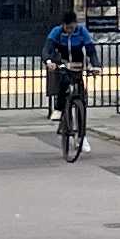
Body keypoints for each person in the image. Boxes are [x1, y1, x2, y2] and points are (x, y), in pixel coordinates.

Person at [43, 11, 97, 150]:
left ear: (75, 24)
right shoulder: (57, 32)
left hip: (78, 65)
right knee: (64, 81)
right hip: (63, 62)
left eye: (72, 28)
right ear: (63, 25)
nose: (70, 31)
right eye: (67, 28)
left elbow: (91, 49)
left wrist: (96, 65)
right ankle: (59, 108)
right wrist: (49, 61)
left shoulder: (81, 31)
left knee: (81, 102)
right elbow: (47, 48)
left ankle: (82, 137)